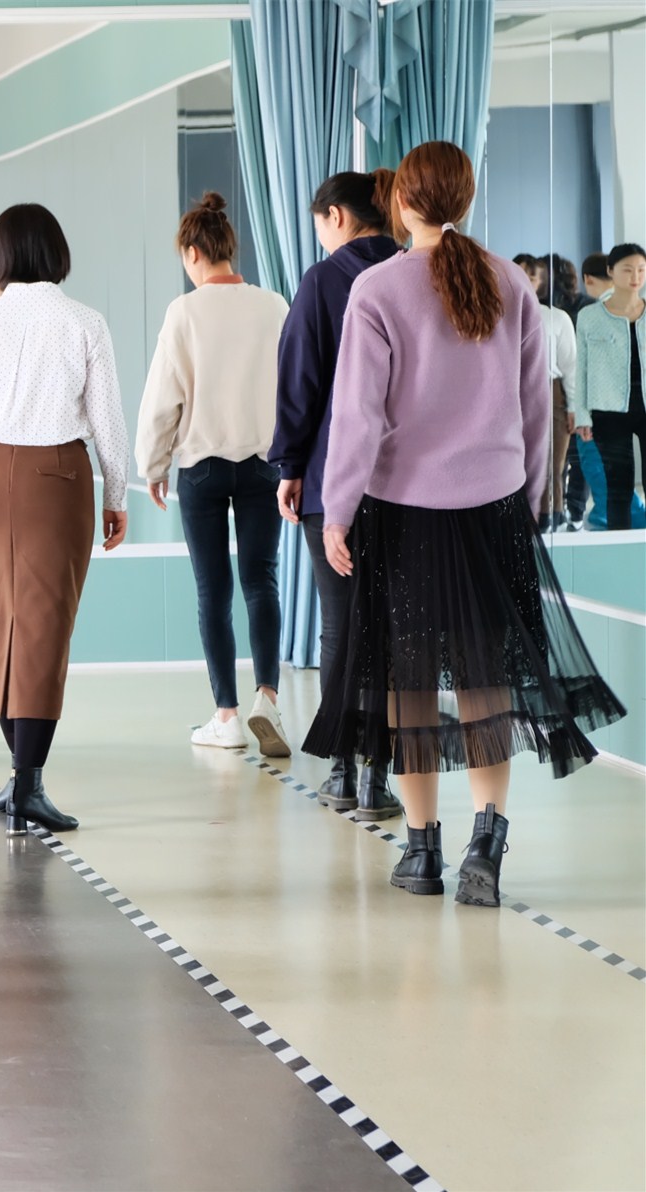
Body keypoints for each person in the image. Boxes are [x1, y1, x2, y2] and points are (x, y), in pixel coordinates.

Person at [304, 141, 624, 907]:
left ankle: (421, 850)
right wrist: (533, 496)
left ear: (400, 202)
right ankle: (488, 839)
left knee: (408, 680)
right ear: (466, 200)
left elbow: (357, 417)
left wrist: (337, 511)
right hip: (495, 508)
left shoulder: (377, 289)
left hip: (404, 514)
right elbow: (535, 404)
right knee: (487, 678)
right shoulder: (508, 280)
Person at [0, 203, 129, 835]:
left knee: (3, 624)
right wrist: (117, 494)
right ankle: (28, 783)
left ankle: (21, 779)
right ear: (56, 253)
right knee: (46, 627)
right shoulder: (85, 322)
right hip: (59, 477)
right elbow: (108, 420)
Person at [270, 169, 404, 821]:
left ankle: (344, 770)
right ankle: (380, 776)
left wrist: (290, 464)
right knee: (392, 629)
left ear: (337, 217)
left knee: (341, 626)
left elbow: (300, 378)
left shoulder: (324, 280)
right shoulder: (416, 273)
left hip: (332, 481)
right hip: (408, 484)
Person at [137, 193, 290, 754]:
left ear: (194, 252)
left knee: (213, 589)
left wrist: (152, 465)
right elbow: (293, 391)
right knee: (261, 579)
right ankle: (267, 697)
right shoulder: (273, 306)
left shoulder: (184, 312)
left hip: (201, 468)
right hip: (263, 465)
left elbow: (163, 397)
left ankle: (225, 716)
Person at [572, 243, 646, 532]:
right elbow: (581, 370)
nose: (635, 276)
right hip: (607, 411)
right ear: (611, 271)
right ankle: (621, 549)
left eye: (641, 270)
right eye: (628, 270)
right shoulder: (590, 317)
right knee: (618, 490)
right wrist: (582, 416)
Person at [538, 254, 581, 531]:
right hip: (515, 389)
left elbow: (570, 366)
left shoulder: (557, 317)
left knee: (555, 463)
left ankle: (553, 515)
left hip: (552, 389)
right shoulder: (501, 314)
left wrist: (574, 407)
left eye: (534, 275)